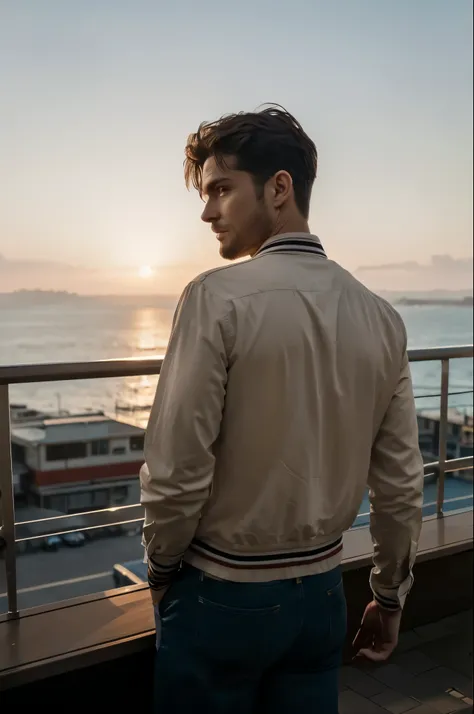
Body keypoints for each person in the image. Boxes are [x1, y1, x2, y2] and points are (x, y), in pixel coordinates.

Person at [139, 105, 424, 713]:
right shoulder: (381, 316)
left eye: (220, 189)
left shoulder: (214, 299)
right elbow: (400, 484)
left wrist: (161, 569)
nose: (207, 210)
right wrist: (389, 595)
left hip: (222, 594)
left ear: (279, 188)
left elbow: (176, 471)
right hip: (322, 597)